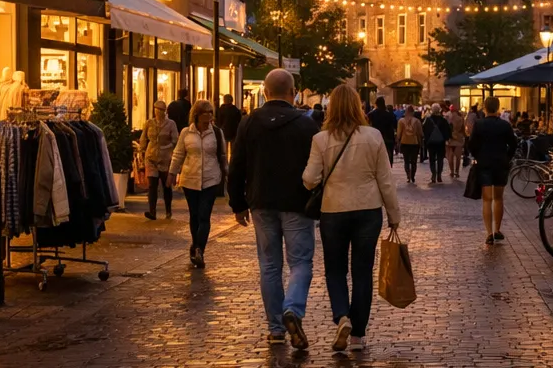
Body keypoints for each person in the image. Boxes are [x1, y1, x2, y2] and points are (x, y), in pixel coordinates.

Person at [303, 83, 401, 352]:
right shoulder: (373, 137)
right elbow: (385, 180)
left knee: (335, 269)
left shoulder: (320, 140)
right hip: (368, 210)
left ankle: (341, 316)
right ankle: (357, 333)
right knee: (362, 271)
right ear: (358, 106)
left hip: (334, 210)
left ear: (330, 108)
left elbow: (310, 180)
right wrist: (394, 214)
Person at [228, 68, 319, 349]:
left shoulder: (249, 122)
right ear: (293, 93)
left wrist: (238, 203)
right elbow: (316, 168)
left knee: (269, 264)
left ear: (264, 93)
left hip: (261, 202)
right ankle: (292, 307)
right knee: (300, 262)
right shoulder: (305, 125)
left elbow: (237, 164)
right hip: (297, 203)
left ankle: (276, 328)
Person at [168, 100, 226, 269]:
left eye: (210, 112)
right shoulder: (186, 133)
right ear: (197, 114)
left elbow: (221, 154)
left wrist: (226, 172)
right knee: (194, 215)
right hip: (190, 179)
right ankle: (195, 245)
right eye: (205, 112)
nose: (208, 116)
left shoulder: (216, 132)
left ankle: (200, 249)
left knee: (204, 215)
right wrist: (172, 173)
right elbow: (178, 154)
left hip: (211, 178)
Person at [469, 96, 517, 244]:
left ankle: (489, 232)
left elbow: (471, 144)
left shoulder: (479, 124)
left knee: (487, 199)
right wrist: (507, 157)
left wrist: (478, 155)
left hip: (484, 163)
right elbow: (513, 144)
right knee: (498, 198)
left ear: (485, 107)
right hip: (500, 163)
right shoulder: (505, 125)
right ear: (497, 107)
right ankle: (497, 229)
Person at [138, 99, 179, 220]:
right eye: (156, 109)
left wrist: (170, 149)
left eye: (160, 110)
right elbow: (143, 138)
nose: (158, 112)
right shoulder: (149, 123)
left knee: (166, 185)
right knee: (152, 185)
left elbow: (175, 140)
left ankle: (168, 210)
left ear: (164, 111)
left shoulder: (171, 124)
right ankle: (152, 211)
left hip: (165, 158)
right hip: (151, 157)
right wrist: (141, 151)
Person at [422, 103, 452, 183]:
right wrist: (446, 139)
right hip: (441, 143)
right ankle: (439, 175)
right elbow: (448, 130)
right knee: (440, 159)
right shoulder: (443, 120)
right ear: (439, 110)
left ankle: (433, 174)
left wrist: (427, 139)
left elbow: (424, 130)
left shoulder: (428, 120)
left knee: (432, 159)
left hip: (431, 143)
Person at [396, 105, 424, 184]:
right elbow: (421, 133)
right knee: (414, 161)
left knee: (406, 161)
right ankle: (413, 176)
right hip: (414, 143)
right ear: (413, 112)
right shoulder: (417, 121)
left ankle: (408, 175)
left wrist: (398, 141)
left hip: (404, 142)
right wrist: (421, 140)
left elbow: (398, 134)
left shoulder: (401, 121)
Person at [367, 96, 397, 166]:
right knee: (389, 155)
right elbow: (395, 125)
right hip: (388, 138)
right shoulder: (390, 115)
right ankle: (389, 166)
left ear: (376, 104)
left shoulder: (371, 114)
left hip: (375, 138)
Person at [215, 93, 243, 157]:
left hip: (223, 131)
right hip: (234, 132)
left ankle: (225, 162)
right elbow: (239, 121)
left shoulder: (220, 110)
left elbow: (218, 121)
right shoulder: (235, 110)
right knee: (233, 150)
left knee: (224, 150)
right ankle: (231, 162)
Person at [446, 103, 466, 179]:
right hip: (458, 139)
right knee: (458, 157)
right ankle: (457, 172)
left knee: (450, 157)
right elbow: (463, 129)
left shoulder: (447, 117)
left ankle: (451, 171)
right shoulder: (460, 118)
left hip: (450, 139)